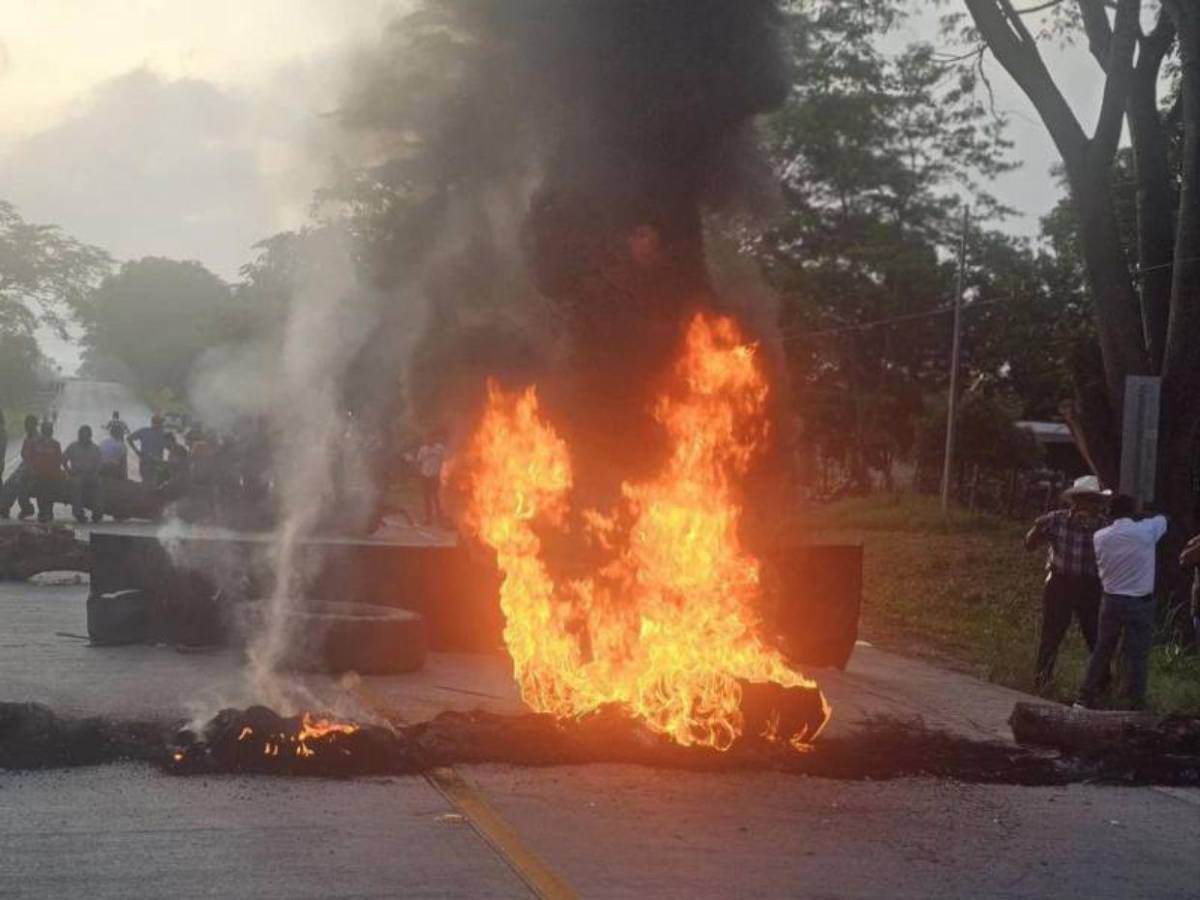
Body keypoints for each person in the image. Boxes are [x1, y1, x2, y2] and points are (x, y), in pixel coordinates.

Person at [1079, 495, 1168, 710]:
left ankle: (1085, 696)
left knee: (1102, 650)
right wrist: (1143, 514)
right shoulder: (1146, 530)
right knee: (1138, 656)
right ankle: (1136, 703)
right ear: (1132, 512)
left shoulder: (1100, 536)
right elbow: (1164, 519)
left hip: (1111, 600)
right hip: (1140, 601)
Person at [1024, 475, 1110, 690]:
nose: (1091, 505)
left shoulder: (1104, 526)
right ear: (1076, 501)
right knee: (1052, 634)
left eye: (1095, 500)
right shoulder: (1056, 520)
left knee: (1095, 636)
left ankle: (1102, 685)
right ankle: (1042, 681)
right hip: (1060, 583)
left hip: (1090, 586)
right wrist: (1037, 531)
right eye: (1087, 499)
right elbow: (1029, 544)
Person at [0, 415, 41, 520]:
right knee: (9, 482)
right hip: (25, 466)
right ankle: (4, 506)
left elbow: (37, 458)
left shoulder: (38, 439)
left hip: (34, 468)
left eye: (28, 425)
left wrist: (30, 469)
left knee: (18, 483)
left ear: (34, 425)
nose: (26, 427)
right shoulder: (28, 438)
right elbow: (24, 455)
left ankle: (25, 508)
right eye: (26, 424)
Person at [62, 425, 103, 523]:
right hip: (77, 474)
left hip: (91, 474)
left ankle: (97, 512)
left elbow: (99, 464)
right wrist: (68, 471)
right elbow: (63, 460)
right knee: (76, 485)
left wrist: (95, 474)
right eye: (82, 435)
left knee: (99, 484)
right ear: (79, 436)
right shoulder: (73, 447)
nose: (84, 437)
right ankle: (78, 512)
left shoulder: (95, 449)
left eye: (86, 435)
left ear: (90, 436)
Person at [28, 420, 63, 523]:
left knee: (50, 494)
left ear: (51, 431)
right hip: (38, 474)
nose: (47, 431)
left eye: (49, 429)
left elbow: (59, 459)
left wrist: (57, 472)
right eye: (45, 429)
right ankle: (42, 512)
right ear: (43, 430)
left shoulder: (55, 444)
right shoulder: (35, 443)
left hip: (51, 474)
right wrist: (32, 470)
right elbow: (30, 457)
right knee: (40, 494)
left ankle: (49, 511)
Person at [414, 435, 447, 527]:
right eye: (427, 439)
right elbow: (418, 461)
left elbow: (445, 459)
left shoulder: (440, 448)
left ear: (434, 439)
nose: (429, 441)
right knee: (427, 498)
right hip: (425, 476)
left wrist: (443, 472)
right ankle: (428, 518)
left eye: (431, 439)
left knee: (436, 498)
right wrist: (419, 473)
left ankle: (440, 519)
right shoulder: (423, 450)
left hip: (435, 476)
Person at [127, 415, 168, 485]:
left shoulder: (145, 431)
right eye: (159, 423)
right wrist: (137, 452)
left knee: (149, 482)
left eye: (160, 423)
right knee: (151, 482)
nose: (160, 425)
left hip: (151, 462)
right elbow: (129, 438)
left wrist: (137, 452)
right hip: (149, 462)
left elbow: (129, 438)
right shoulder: (162, 434)